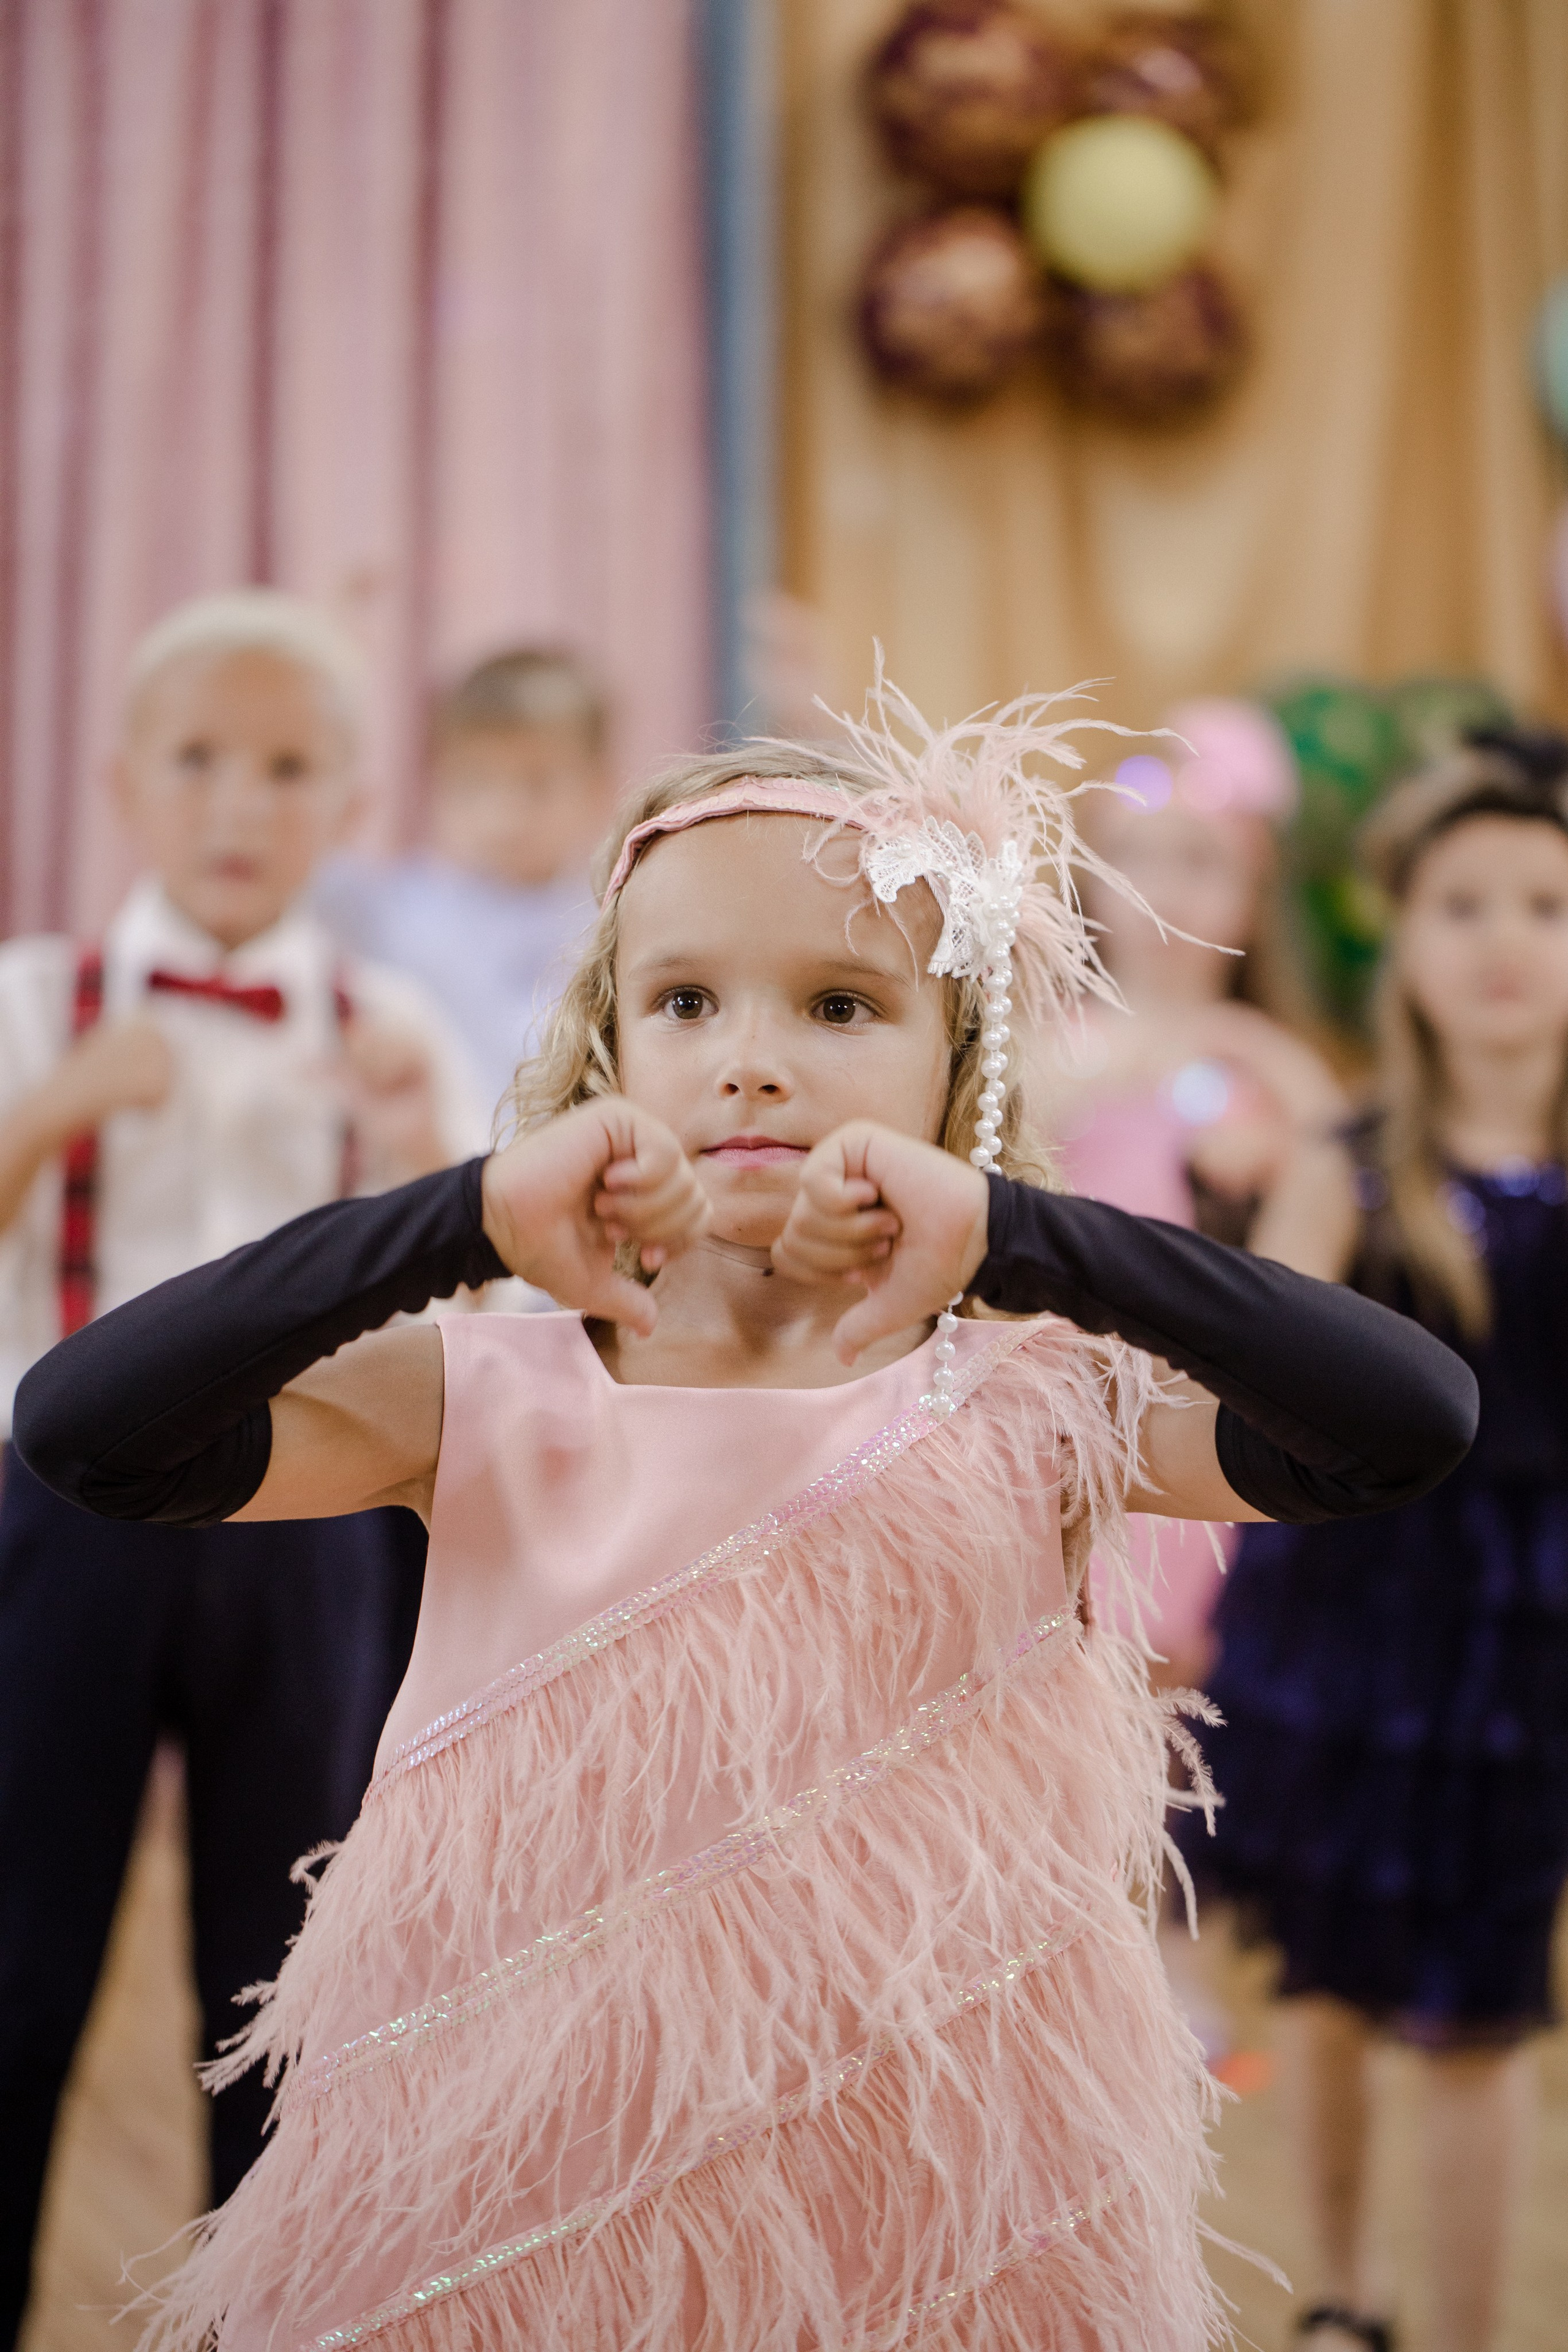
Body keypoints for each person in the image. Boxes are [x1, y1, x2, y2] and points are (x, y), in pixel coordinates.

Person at [13, 681, 1474, 2351]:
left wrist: (1027, 1240)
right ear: (613, 1043)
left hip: (933, 2171)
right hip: (533, 2173)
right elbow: (86, 1433)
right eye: (687, 1001)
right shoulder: (489, 1391)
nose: (755, 1061)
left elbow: (1404, 1424)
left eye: (843, 1005)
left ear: (956, 1070)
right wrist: (458, 1220)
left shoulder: (1037, 1400)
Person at [0, 588, 490, 2346]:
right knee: (17, 1944)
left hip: (311, 1525)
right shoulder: (30, 1001)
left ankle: (261, 2316)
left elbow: (499, 1312)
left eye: (286, 772)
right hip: (54, 1522)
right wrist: (50, 1109)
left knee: (285, 1969)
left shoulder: (396, 1029)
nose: (237, 805)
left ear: (346, 809)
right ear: (127, 787)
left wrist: (426, 1153)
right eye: (200, 763)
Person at [1181, 726, 1568, 2352]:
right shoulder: (1345, 1166)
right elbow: (1254, 1375)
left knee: (1479, 2022)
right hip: (1341, 1619)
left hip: (1523, 1640)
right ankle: (1346, 2299)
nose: (1503, 942)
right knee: (1330, 1987)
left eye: (1545, 907)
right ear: (1400, 936)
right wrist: (1227, 1215)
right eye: (1463, 904)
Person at [314, 646, 610, 1110]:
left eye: (537, 784)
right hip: (437, 1167)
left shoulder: (612, 918)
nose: (505, 815)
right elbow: (313, 886)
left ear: (597, 788)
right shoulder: (405, 907)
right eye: (475, 783)